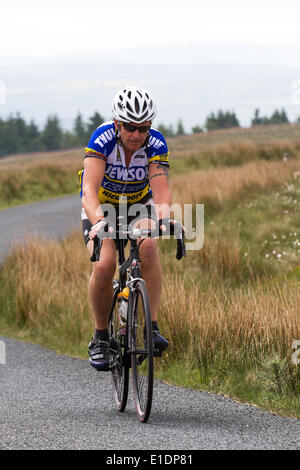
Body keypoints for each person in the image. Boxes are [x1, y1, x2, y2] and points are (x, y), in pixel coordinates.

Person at [80, 85, 177, 371]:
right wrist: (98, 221)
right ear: (117, 123)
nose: (136, 134)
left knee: (148, 248)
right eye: (130, 127)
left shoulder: (155, 144)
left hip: (137, 205)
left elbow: (161, 193)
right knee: (105, 263)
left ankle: (152, 326)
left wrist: (161, 219)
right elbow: (89, 189)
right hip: (101, 206)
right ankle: (100, 338)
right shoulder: (102, 139)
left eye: (143, 128)